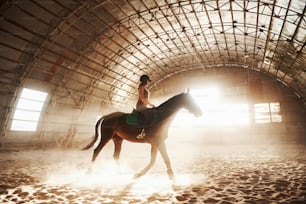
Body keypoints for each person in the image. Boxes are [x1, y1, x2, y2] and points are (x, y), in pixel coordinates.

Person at [136, 74, 155, 139]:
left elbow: (146, 99)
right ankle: (141, 132)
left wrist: (149, 104)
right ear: (144, 80)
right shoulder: (141, 87)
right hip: (140, 106)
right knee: (147, 115)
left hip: (144, 105)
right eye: (147, 80)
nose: (148, 82)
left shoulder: (144, 87)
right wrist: (150, 104)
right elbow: (142, 98)